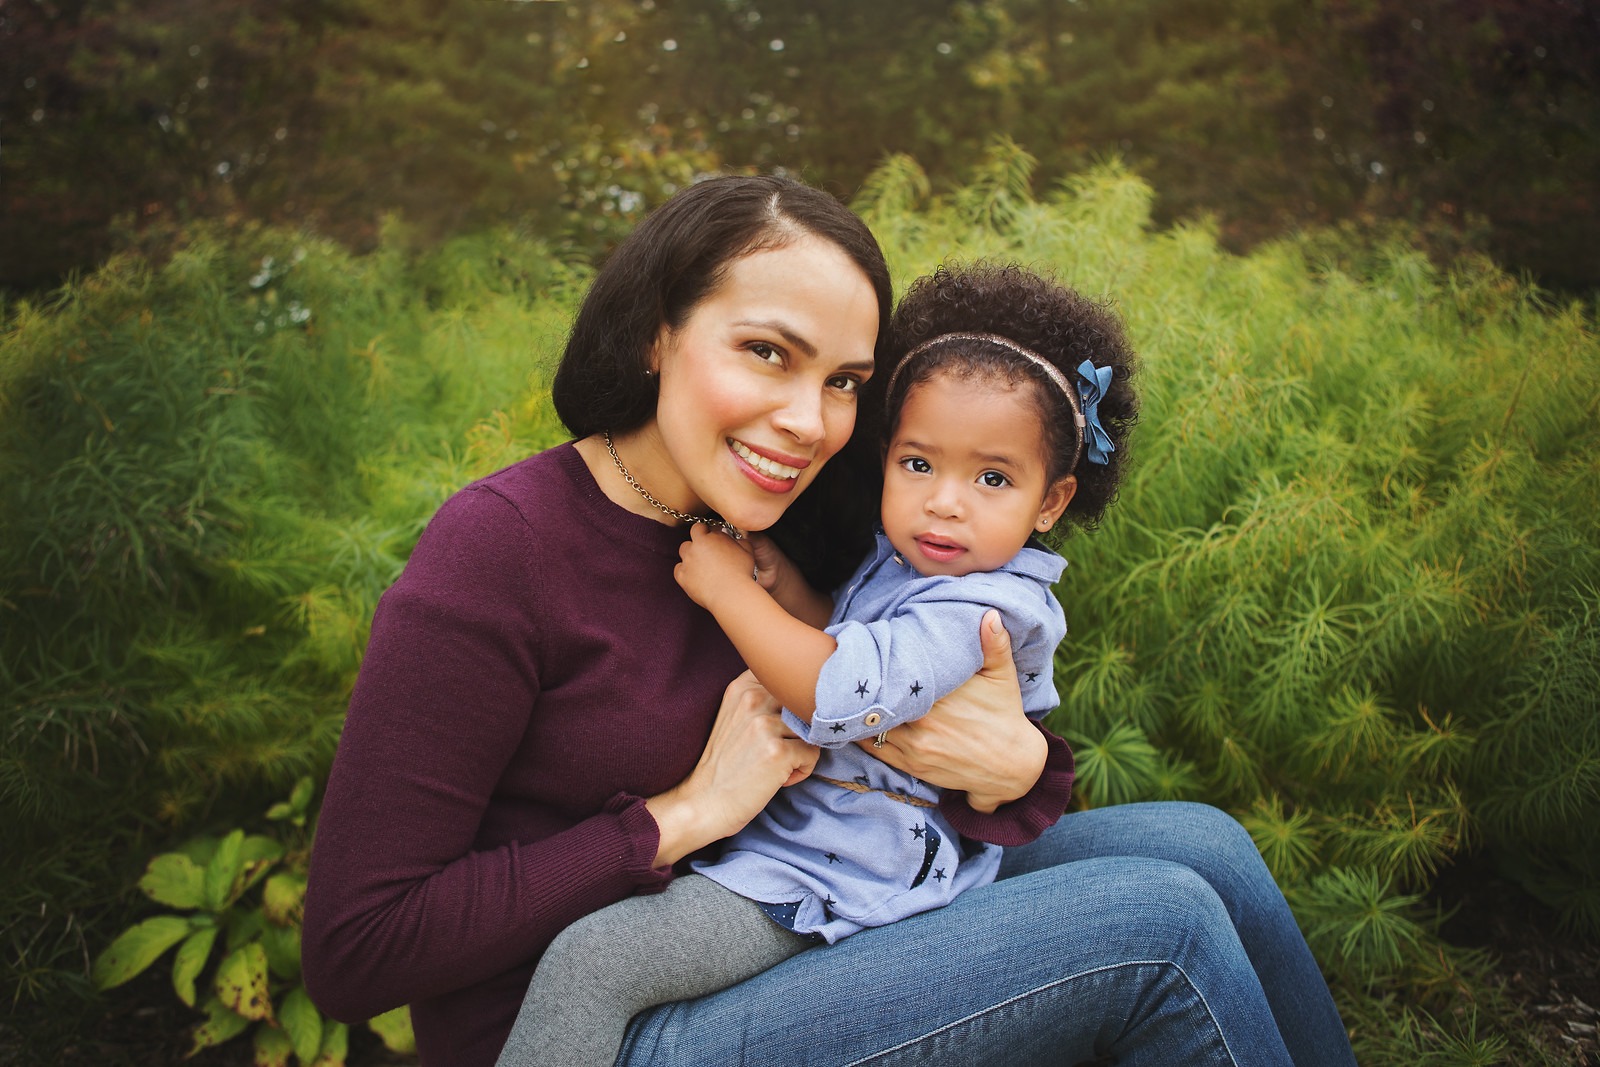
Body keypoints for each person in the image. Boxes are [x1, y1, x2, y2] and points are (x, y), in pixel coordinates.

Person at [301, 175, 1357, 1067]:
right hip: (601, 1019)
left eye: (845, 380)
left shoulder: (784, 509)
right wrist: (675, 815)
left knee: (1201, 846)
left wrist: (1019, 763)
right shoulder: (500, 549)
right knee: (1158, 928)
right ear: (659, 333)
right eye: (767, 351)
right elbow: (358, 950)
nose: (808, 421)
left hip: (803, 907)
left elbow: (893, 689)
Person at [497, 264, 1129, 1067]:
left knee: (594, 960)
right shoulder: (921, 566)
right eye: (919, 464)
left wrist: (734, 597)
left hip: (834, 874)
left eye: (993, 477)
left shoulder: (976, 604)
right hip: (833, 849)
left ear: (1053, 502)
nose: (945, 501)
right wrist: (786, 585)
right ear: (885, 455)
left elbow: (841, 688)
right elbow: (851, 637)